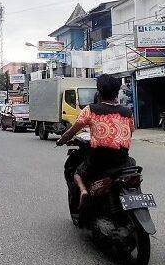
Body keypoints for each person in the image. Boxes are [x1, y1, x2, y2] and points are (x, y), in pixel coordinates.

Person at [57, 74, 136, 207]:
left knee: (77, 173)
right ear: (117, 94)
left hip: (98, 161)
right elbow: (130, 131)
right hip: (122, 160)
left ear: (98, 93)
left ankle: (83, 192)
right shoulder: (127, 112)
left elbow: (72, 131)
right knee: (132, 163)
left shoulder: (90, 110)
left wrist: (60, 140)